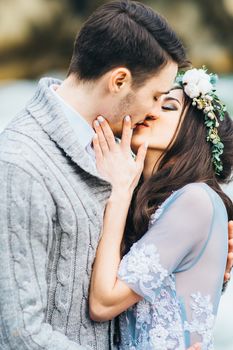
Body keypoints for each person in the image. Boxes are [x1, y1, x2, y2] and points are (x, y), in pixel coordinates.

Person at [0, 1, 232, 349]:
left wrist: (201, 263)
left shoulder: (120, 160)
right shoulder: (22, 164)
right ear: (119, 80)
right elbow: (20, 334)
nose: (154, 110)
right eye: (157, 97)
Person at [89, 68, 233, 349]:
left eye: (168, 106)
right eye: (155, 100)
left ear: (195, 133)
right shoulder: (160, 205)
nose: (152, 110)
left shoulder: (195, 200)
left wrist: (120, 191)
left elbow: (103, 303)